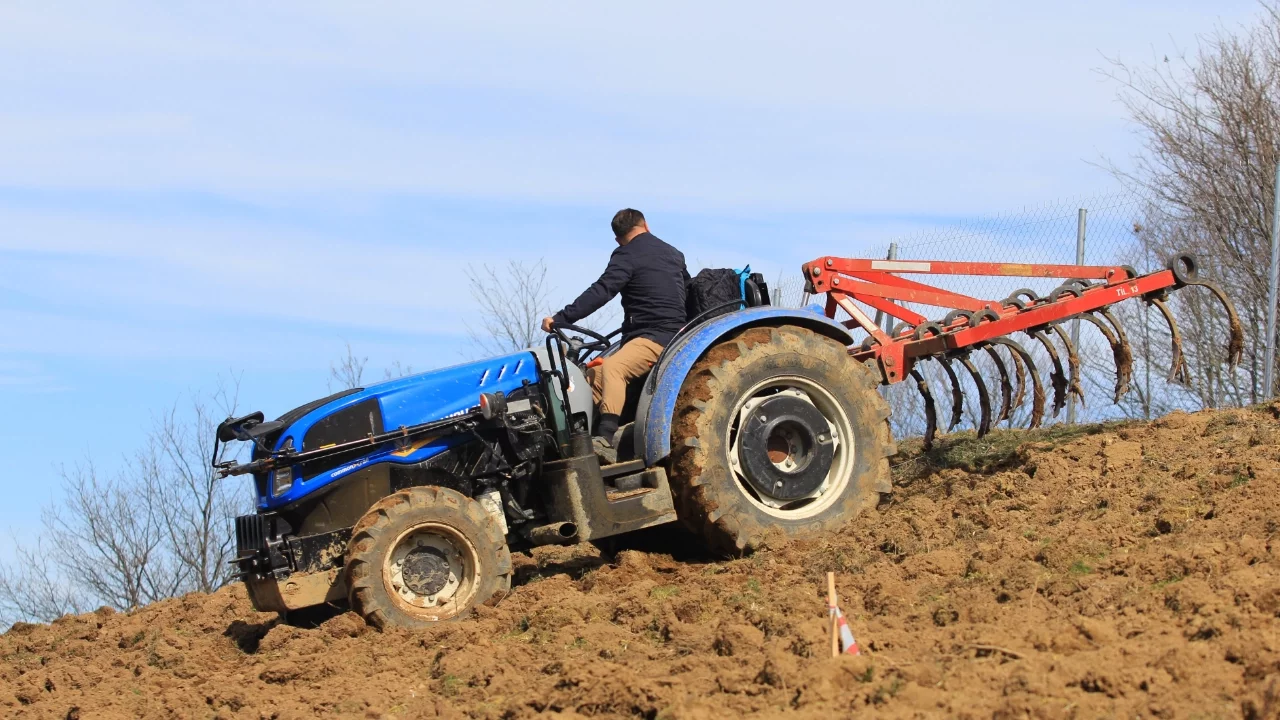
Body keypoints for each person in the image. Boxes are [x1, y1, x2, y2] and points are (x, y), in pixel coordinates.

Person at [542, 209, 689, 457]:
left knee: (614, 368)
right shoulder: (673, 253)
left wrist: (561, 319)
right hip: (667, 334)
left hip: (656, 338)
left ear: (618, 238)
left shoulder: (627, 253)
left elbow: (602, 291)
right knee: (591, 377)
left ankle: (605, 439)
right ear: (646, 225)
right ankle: (575, 445)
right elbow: (687, 289)